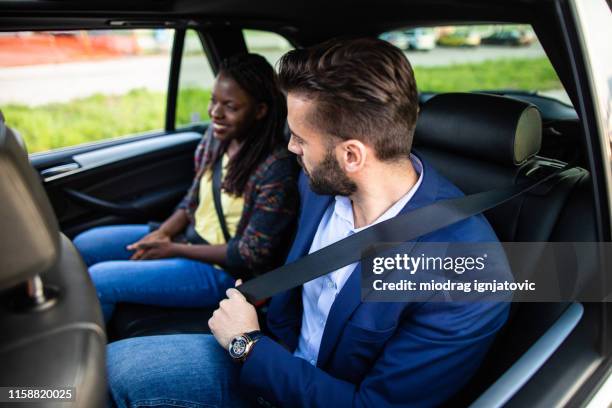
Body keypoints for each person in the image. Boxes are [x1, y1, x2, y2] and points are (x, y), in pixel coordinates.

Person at [105, 38, 511, 407]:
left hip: (297, 382)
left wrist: (247, 346)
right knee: (110, 369)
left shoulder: (471, 276)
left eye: (299, 137)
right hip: (272, 357)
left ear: (352, 156)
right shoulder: (319, 186)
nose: (289, 146)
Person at [73, 53, 299, 323]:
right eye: (213, 101)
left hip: (222, 272)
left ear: (260, 110)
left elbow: (248, 254)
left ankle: (92, 355)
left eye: (230, 106)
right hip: (187, 240)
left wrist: (174, 249)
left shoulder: (276, 168)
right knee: (85, 244)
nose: (215, 112)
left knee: (101, 280)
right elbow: (193, 200)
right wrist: (162, 234)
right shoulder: (216, 139)